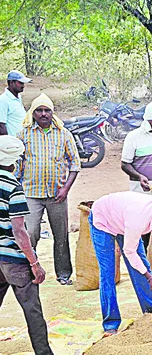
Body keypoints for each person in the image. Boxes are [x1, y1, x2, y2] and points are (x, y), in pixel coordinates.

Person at [0, 136, 67, 355]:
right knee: (33, 311)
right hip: (14, 260)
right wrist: (34, 263)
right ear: (15, 161)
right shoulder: (12, 187)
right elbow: (19, 232)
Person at [89, 192, 152, 336]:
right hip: (104, 218)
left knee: (142, 268)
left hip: (123, 218)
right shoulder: (138, 219)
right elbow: (129, 252)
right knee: (108, 273)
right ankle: (111, 323)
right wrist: (149, 277)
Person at [17, 93, 80, 286]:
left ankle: (63, 274)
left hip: (58, 195)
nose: (43, 114)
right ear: (33, 113)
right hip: (31, 194)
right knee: (31, 231)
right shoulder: (24, 133)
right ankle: (29, 270)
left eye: (47, 110)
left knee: (60, 234)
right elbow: (17, 164)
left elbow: (75, 164)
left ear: (52, 112)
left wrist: (66, 189)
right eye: (39, 110)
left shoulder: (63, 133)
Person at [0, 70, 31, 136]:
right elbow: (1, 125)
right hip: (13, 142)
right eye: (20, 83)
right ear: (11, 82)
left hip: (22, 139)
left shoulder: (18, 97)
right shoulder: (3, 100)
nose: (23, 86)